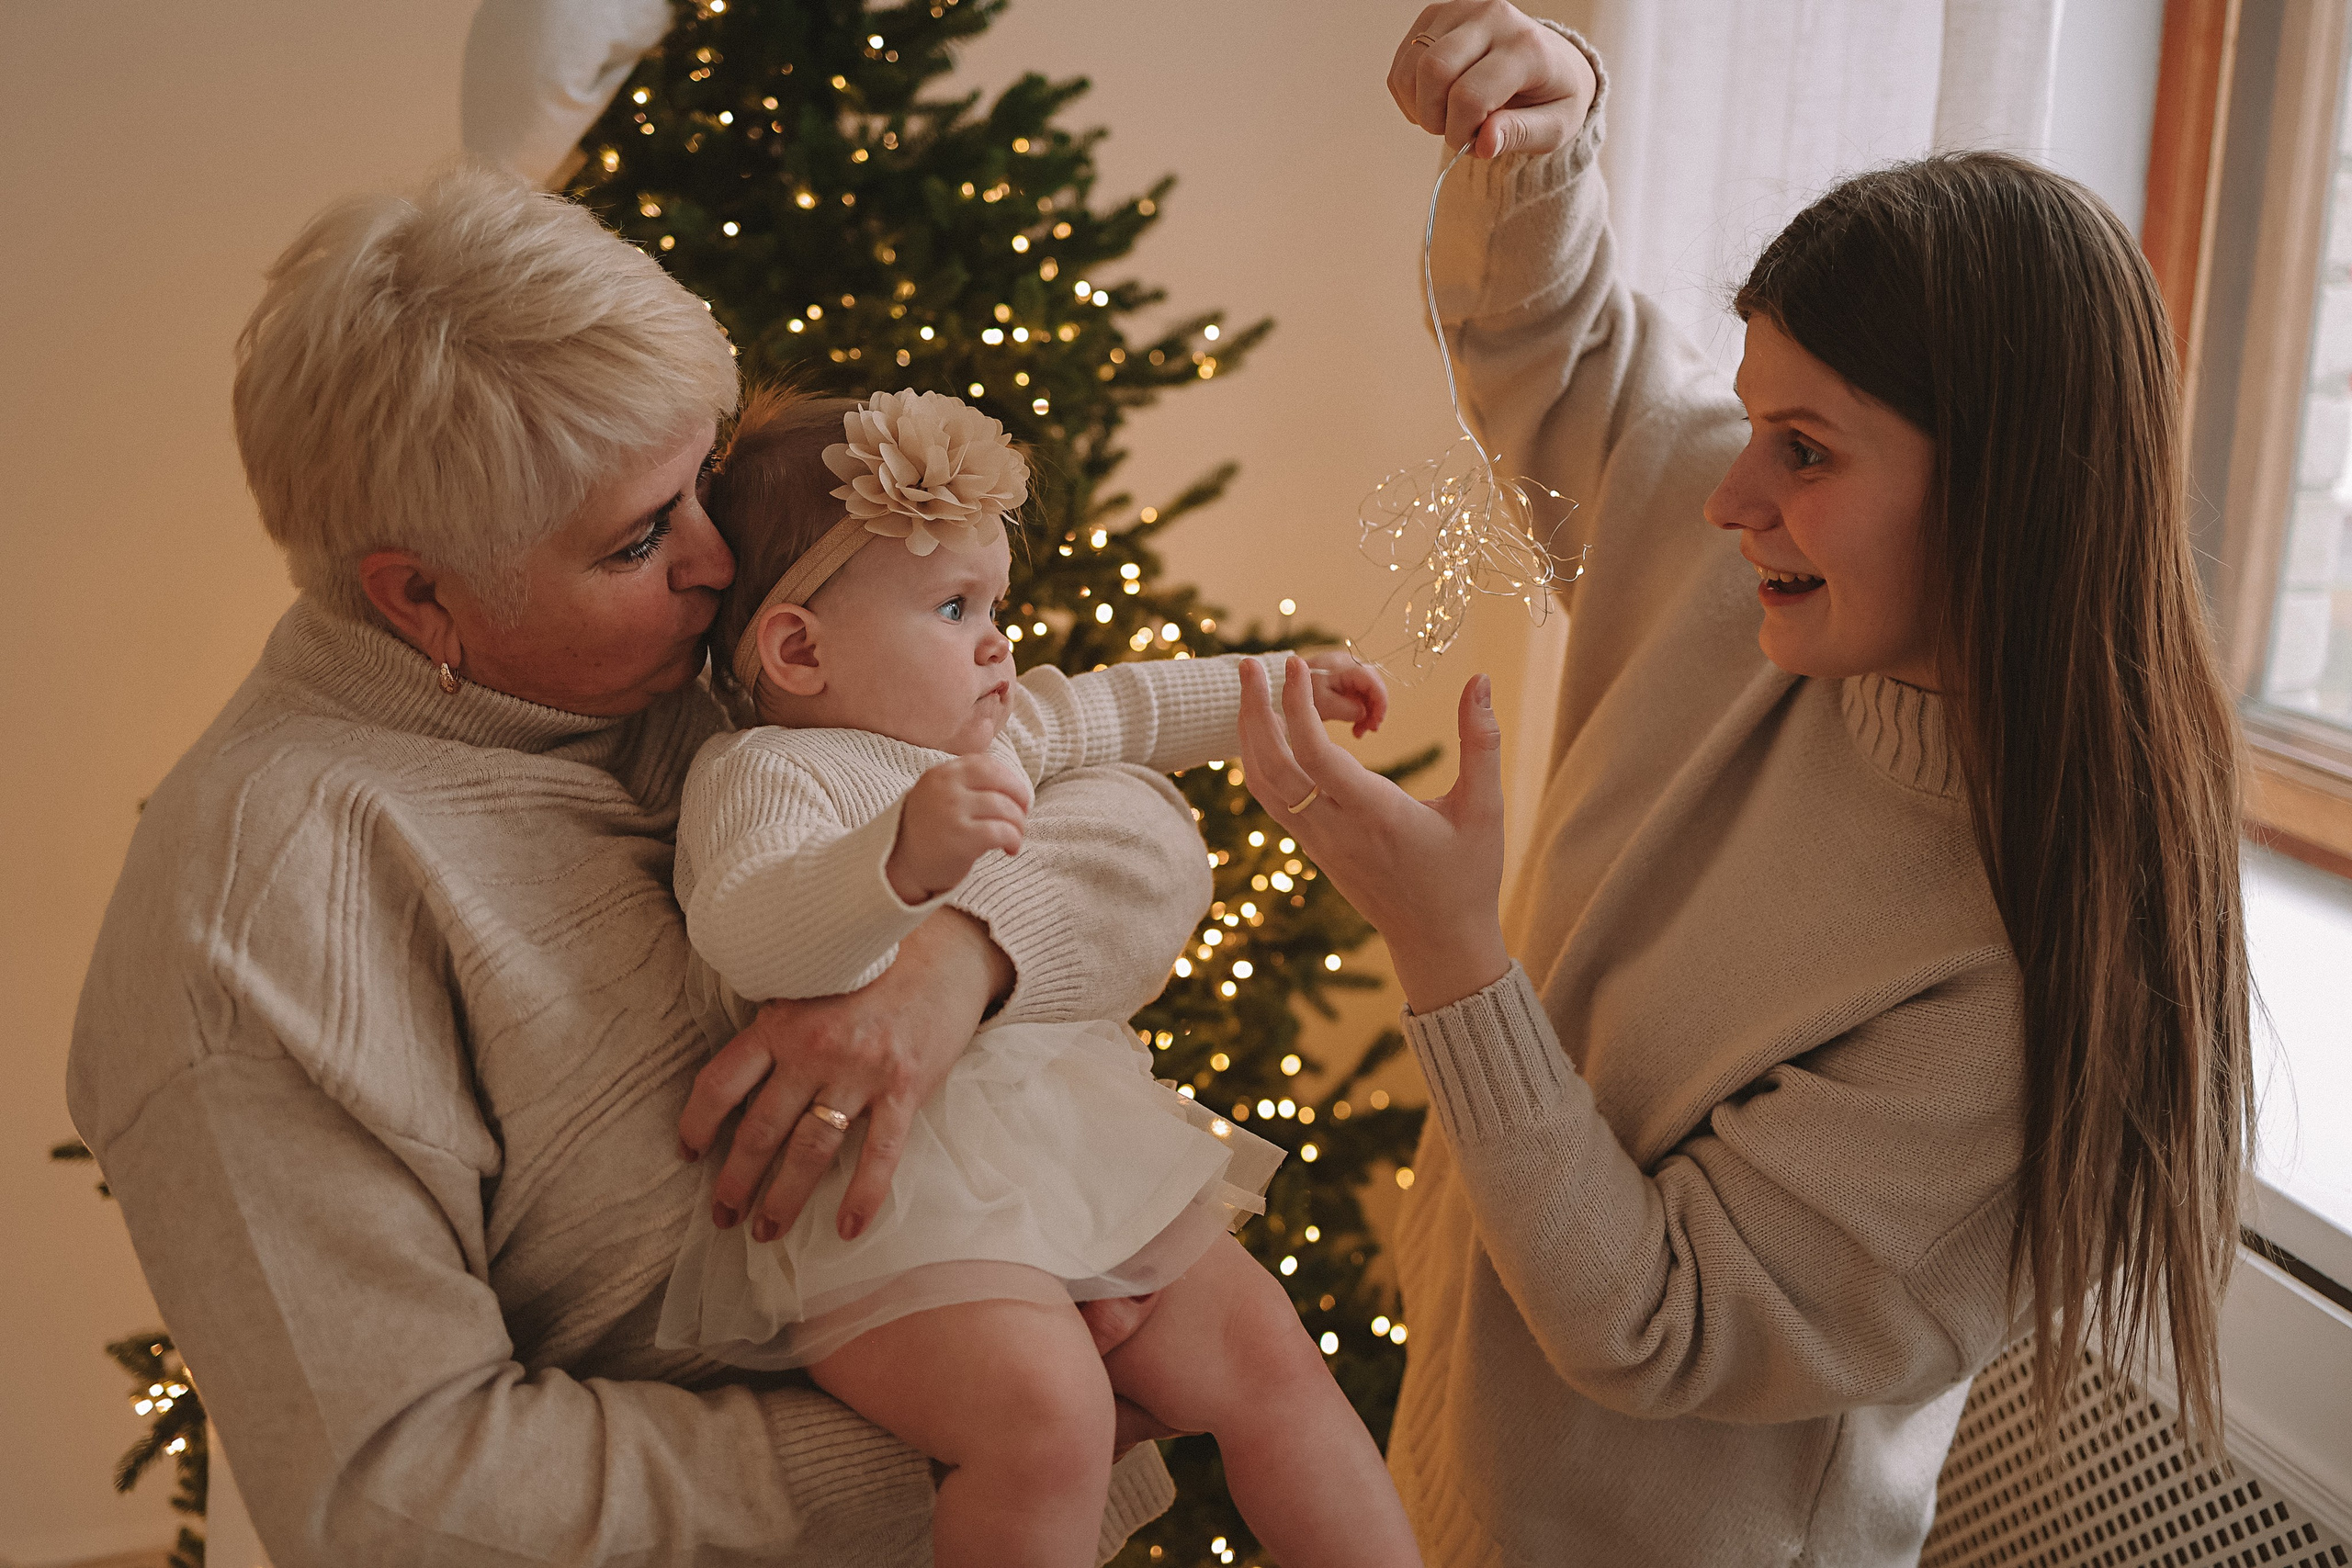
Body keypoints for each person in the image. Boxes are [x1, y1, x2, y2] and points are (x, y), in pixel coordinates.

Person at [64, 164, 1222, 1567]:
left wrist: (951, 964)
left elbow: (1134, 816)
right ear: (417, 594)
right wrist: (1013, 1429)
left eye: (699, 481)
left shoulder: (700, 657)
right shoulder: (252, 920)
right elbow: (399, 1496)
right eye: (637, 536)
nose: (724, 556)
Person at [1225, 5, 2253, 1564]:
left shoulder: (2024, 966)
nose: (1731, 493)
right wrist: (1550, 128)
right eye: (1757, 423)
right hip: (1457, 1481)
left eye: (1808, 451)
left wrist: (1449, 949)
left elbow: (1658, 1322)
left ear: (2006, 493)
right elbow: (1562, 354)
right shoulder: (1763, 590)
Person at [653, 384, 1419, 1568]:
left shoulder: (997, 733)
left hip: (1072, 1166)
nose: (1000, 642)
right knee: (1051, 1421)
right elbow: (751, 934)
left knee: (1269, 1354)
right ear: (798, 649)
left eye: (995, 603)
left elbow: (1127, 706)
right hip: (887, 1207)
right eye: (955, 607)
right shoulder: (766, 772)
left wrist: (1278, 687)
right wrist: (895, 862)